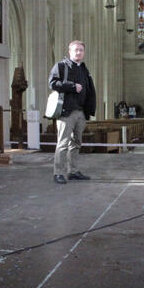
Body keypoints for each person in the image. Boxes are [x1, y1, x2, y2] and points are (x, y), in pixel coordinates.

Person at [48, 40, 96, 184]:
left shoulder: (84, 69)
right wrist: (72, 86)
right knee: (63, 143)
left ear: (84, 52)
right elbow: (52, 83)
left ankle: (73, 171)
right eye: (76, 50)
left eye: (81, 50)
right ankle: (58, 173)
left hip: (81, 112)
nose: (78, 52)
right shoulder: (61, 66)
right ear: (70, 51)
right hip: (66, 112)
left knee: (76, 143)